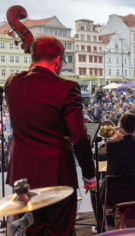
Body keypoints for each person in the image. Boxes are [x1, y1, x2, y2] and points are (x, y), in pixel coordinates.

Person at [5, 35, 95, 235]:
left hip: (23, 179)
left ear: (33, 57)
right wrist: (89, 174)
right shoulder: (67, 89)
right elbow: (79, 136)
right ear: (58, 60)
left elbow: (30, 78)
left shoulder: (12, 84)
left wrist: (35, 60)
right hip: (57, 177)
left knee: (31, 231)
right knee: (59, 231)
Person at [91, 113, 135, 229]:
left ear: (120, 127)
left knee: (93, 189)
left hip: (112, 194)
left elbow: (96, 155)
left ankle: (100, 226)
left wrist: (110, 140)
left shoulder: (112, 144)